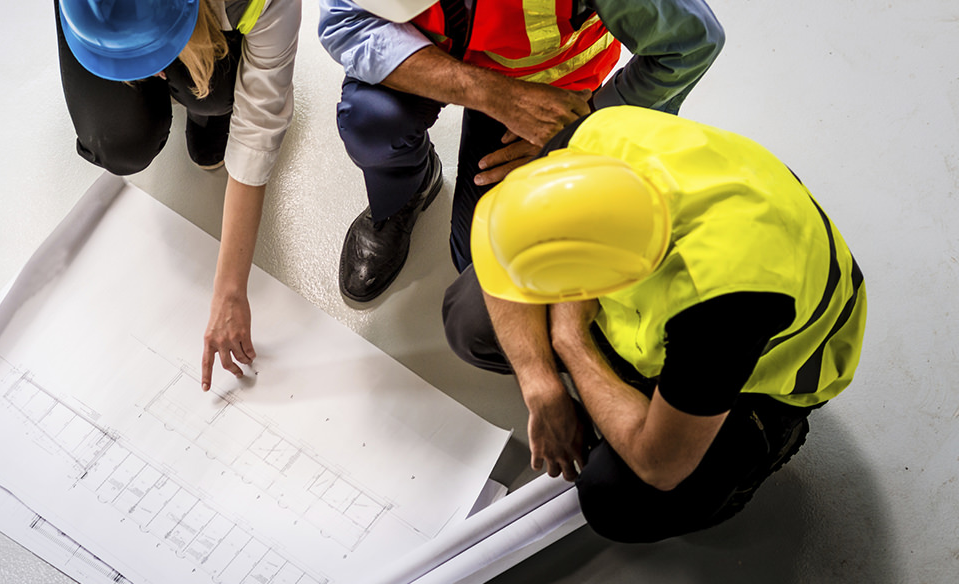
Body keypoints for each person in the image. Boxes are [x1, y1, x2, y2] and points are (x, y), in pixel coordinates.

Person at [442, 105, 867, 543]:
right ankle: (632, 385)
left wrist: (570, 340)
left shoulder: (725, 303)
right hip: (675, 293)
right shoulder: (597, 138)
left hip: (760, 380)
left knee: (620, 500)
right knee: (467, 318)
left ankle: (764, 446)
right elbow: (505, 243)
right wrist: (539, 385)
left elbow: (659, 465)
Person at [318, 0, 724, 302]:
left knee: (486, 261)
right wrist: (488, 92)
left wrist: (581, 127)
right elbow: (345, 20)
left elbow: (690, 43)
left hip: (547, 89)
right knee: (371, 121)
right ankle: (405, 192)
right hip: (433, 52)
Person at [54, 0, 299, 390]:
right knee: (116, 143)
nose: (152, 70)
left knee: (216, 90)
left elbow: (257, 129)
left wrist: (229, 289)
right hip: (102, 19)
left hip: (207, 22)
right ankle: (163, 78)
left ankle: (208, 110)